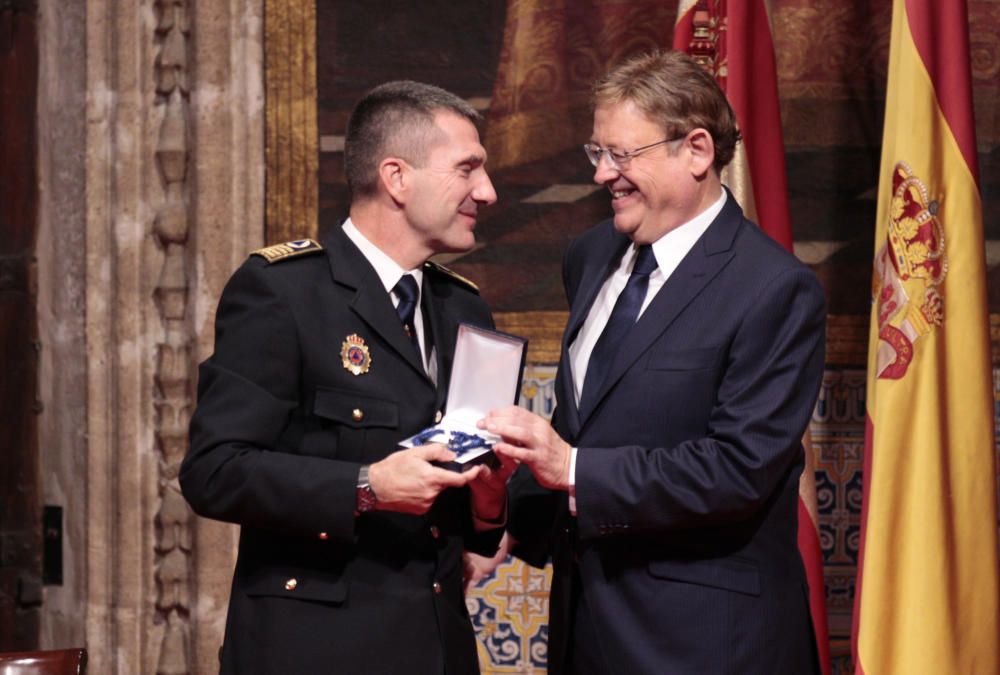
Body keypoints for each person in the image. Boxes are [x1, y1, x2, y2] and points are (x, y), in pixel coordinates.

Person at [480, 50, 826, 674]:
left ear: (695, 150)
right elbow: (588, 416)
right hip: (587, 626)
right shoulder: (590, 256)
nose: (602, 175)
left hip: (706, 643)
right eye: (596, 153)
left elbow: (739, 468)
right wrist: (505, 523)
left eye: (620, 155)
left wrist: (574, 468)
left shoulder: (774, 288)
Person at [181, 80, 512, 675]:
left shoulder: (464, 308)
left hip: (437, 648)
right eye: (467, 169)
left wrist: (489, 503)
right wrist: (365, 486)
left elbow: (471, 528)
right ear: (396, 177)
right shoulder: (283, 291)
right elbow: (213, 472)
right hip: (316, 649)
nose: (486, 192)